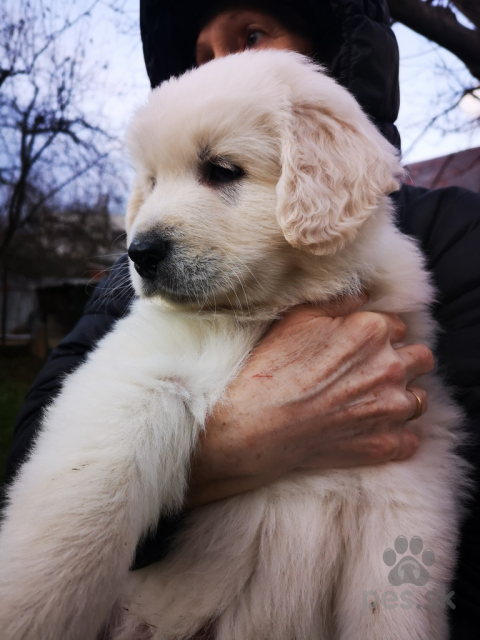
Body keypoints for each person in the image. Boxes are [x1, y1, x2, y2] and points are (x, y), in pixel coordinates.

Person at [3, 0, 480, 637]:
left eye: (222, 170)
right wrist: (231, 445)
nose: (143, 233)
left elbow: (405, 486)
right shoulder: (155, 313)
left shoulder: (455, 236)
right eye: (153, 181)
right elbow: (68, 456)